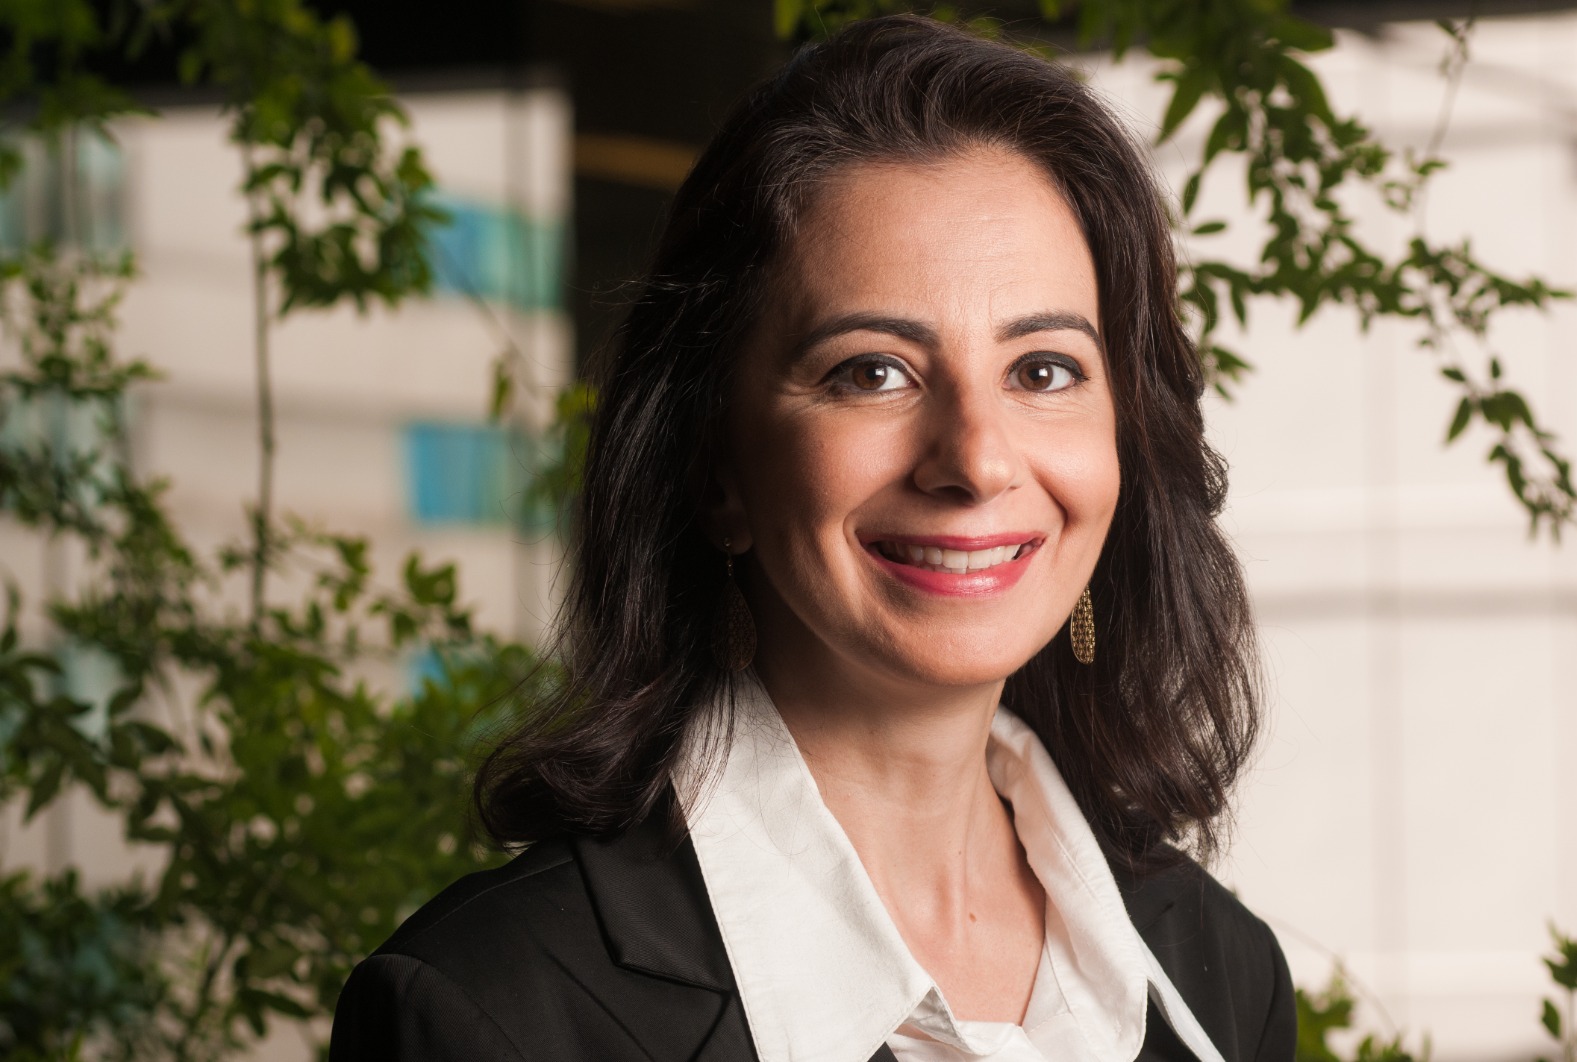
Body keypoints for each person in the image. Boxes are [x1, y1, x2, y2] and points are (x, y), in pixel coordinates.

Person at [330, 14, 1294, 1062]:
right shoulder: (491, 1012)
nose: (975, 460)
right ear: (715, 470)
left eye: (1043, 370)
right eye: (871, 371)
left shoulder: (1222, 973)